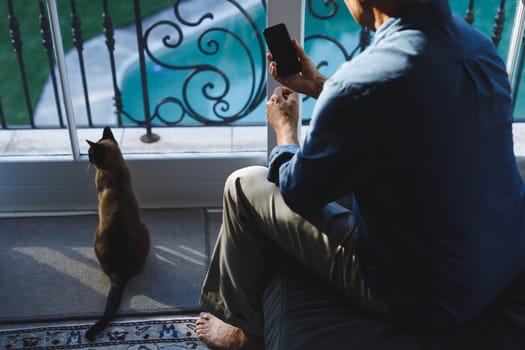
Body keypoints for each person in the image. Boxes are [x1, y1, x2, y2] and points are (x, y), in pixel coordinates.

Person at [195, 0, 525, 349]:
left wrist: (285, 131)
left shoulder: (360, 84)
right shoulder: (479, 47)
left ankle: (243, 332)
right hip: (503, 258)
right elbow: (408, 114)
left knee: (244, 185)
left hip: (428, 296)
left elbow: (299, 191)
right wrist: (322, 85)